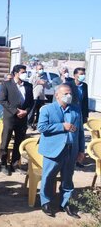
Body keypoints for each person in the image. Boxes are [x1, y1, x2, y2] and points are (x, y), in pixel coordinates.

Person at [37, 84, 85, 218]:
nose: (68, 96)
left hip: (71, 150)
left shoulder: (76, 109)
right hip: (53, 150)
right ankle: (45, 202)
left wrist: (81, 150)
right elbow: (41, 127)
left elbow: (80, 131)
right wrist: (62, 126)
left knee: (67, 178)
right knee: (48, 177)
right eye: (65, 93)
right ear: (57, 95)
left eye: (70, 93)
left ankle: (65, 203)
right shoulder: (47, 109)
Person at [0, 64, 34, 175]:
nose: (24, 74)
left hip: (22, 119)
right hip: (10, 118)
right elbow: (3, 101)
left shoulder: (28, 86)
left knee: (19, 142)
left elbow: (31, 102)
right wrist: (16, 111)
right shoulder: (6, 84)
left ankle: (15, 164)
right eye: (22, 72)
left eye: (25, 72)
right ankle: (3, 164)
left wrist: (26, 111)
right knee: (5, 141)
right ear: (15, 73)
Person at [28, 64, 49, 130]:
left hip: (42, 97)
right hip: (34, 96)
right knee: (32, 111)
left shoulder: (45, 77)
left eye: (42, 68)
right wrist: (37, 82)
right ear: (36, 70)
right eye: (39, 69)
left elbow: (48, 87)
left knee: (40, 112)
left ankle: (37, 124)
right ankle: (29, 124)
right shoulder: (33, 77)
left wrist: (45, 83)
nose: (41, 70)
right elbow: (30, 85)